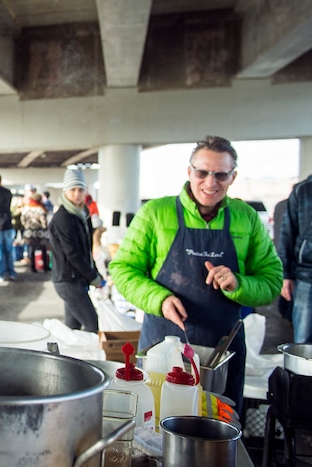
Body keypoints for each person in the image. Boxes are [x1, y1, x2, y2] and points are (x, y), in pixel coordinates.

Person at [109, 136, 283, 414]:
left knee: (218, 426)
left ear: (233, 176)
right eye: (202, 172)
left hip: (222, 352)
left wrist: (239, 283)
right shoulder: (155, 213)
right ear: (189, 172)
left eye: (221, 174)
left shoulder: (246, 218)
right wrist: (160, 299)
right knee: (156, 420)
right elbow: (122, 269)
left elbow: (272, 281)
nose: (210, 183)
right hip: (162, 346)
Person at [48, 167, 105, 332]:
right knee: (92, 324)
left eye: (80, 190)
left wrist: (94, 272)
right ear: (66, 191)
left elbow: (86, 248)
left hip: (77, 279)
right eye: (72, 190)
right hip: (68, 280)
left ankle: (69, 355)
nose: (77, 194)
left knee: (72, 327)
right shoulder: (63, 218)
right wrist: (94, 277)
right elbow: (73, 254)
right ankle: (88, 357)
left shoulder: (83, 213)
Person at [278, 174, 312, 343]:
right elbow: (287, 235)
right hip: (306, 277)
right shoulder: (302, 190)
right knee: (303, 341)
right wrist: (285, 275)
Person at [21, 192, 50, 273]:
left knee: (31, 249)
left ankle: (33, 267)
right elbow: (44, 222)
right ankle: (45, 267)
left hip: (29, 232)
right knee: (43, 248)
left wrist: (27, 226)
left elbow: (22, 220)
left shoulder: (26, 208)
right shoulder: (41, 209)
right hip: (40, 232)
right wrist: (45, 228)